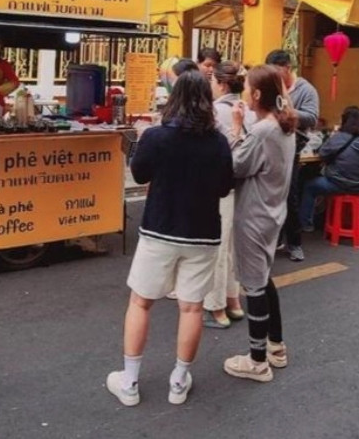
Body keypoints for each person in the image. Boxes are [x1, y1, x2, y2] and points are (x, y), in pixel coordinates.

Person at [107, 70, 234, 407]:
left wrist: (139, 138)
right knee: (191, 308)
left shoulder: (157, 137)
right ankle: (179, 382)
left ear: (174, 98)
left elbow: (139, 173)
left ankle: (130, 381)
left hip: (159, 230)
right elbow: (224, 186)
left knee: (141, 301)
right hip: (203, 234)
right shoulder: (218, 142)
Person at [223, 65, 297, 383]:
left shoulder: (264, 130)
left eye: (247, 88)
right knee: (264, 279)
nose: (243, 93)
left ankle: (257, 361)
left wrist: (236, 128)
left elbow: (236, 165)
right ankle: (275, 347)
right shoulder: (282, 125)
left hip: (253, 214)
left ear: (256, 94)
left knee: (253, 285)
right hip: (271, 211)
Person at [203, 62, 252, 330]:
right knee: (233, 247)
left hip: (220, 185)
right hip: (242, 186)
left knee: (217, 248)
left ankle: (215, 307)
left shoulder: (215, 112)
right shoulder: (249, 112)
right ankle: (234, 301)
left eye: (212, 81)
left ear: (221, 84)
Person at [265, 49, 319, 263]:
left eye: (277, 72)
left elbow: (312, 118)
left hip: (292, 147)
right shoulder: (272, 87)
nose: (274, 77)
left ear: (287, 68)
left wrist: (287, 112)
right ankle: (273, 240)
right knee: (270, 196)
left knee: (290, 196)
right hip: (270, 146)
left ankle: (295, 243)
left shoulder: (306, 90)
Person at [298, 106, 359, 232]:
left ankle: (306, 224)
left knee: (310, 186)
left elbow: (323, 153)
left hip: (339, 184)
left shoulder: (341, 137)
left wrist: (333, 138)